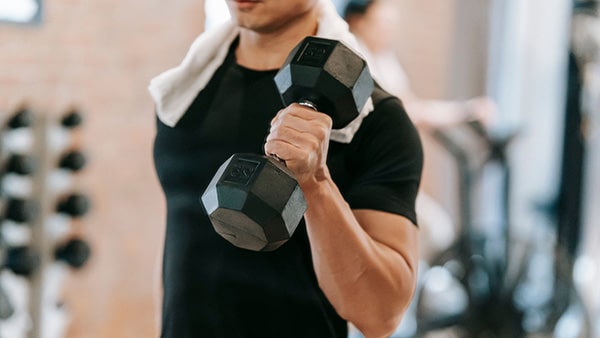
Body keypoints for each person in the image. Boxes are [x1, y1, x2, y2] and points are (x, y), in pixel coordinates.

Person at [148, 0, 423, 337]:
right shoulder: (181, 96)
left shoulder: (376, 120)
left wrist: (317, 184)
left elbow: (380, 316)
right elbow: (182, 249)